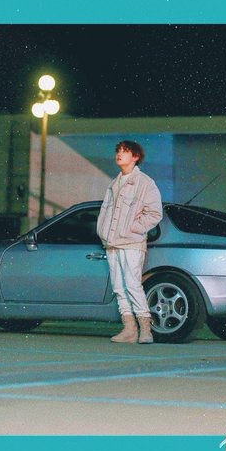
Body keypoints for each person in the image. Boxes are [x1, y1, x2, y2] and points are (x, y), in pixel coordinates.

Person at [97, 140, 163, 344]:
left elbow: (155, 214)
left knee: (133, 284)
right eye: (118, 150)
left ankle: (146, 330)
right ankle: (129, 329)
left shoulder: (145, 183)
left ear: (135, 157)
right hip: (112, 243)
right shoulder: (114, 183)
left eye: (125, 151)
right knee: (118, 287)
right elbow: (106, 212)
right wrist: (103, 231)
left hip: (131, 243)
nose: (119, 154)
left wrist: (132, 229)